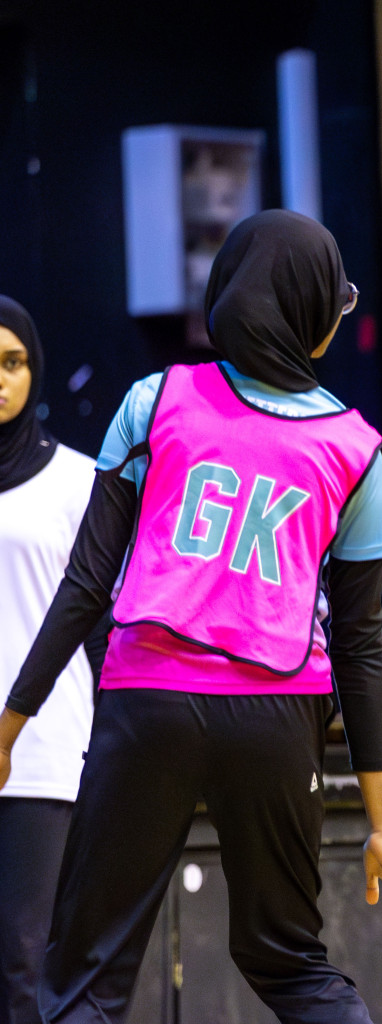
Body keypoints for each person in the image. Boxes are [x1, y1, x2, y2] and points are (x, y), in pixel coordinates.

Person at [0, 210, 382, 1024]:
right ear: (311, 314)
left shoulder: (154, 401)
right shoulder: (356, 449)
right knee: (289, 962)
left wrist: (10, 723)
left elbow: (85, 585)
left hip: (148, 704)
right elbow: (361, 645)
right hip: (280, 717)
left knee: (85, 977)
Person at [0, 297, 98, 1024]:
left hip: (41, 753)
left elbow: (106, 625)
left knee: (24, 962)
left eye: (12, 363)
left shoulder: (78, 482)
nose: (0, 380)